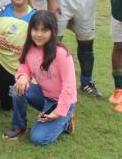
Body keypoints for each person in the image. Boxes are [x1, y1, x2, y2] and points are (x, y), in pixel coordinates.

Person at [4, 11, 77, 144]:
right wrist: (23, 76)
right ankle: (18, 125)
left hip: (61, 101)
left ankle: (66, 120)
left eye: (44, 30)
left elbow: (69, 87)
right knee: (15, 89)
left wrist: (59, 112)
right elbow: (23, 67)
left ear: (52, 32)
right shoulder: (28, 47)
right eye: (35, 29)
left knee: (38, 139)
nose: (38, 34)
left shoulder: (62, 54)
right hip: (43, 95)